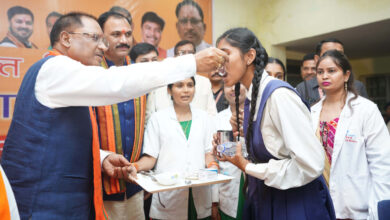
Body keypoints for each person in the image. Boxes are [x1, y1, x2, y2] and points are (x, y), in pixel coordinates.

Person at [0, 12, 227, 219]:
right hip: (43, 203)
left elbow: (54, 139)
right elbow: (114, 83)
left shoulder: (62, 75)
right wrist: (191, 62)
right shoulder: (55, 68)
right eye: (95, 38)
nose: (102, 47)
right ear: (66, 39)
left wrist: (102, 158)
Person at [213, 27, 335, 220]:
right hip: (266, 199)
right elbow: (275, 149)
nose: (219, 66)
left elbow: (311, 164)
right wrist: (239, 149)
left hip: (294, 204)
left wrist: (247, 166)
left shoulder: (279, 96)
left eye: (226, 56)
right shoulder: (252, 97)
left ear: (249, 56)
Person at [311, 50, 390, 220]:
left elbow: (383, 165)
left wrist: (376, 212)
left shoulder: (366, 110)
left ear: (346, 75)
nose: (325, 76)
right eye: (320, 72)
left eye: (332, 71)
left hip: (358, 208)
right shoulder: (312, 112)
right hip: (321, 206)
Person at [134, 77, 217, 219]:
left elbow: (208, 153)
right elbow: (150, 158)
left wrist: (212, 165)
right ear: (169, 90)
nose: (186, 90)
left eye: (190, 85)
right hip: (168, 196)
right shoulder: (158, 119)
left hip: (199, 192)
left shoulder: (204, 118)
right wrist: (134, 167)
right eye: (179, 86)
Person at [96, 11, 144, 220]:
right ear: (101, 37)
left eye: (128, 34)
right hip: (99, 185)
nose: (124, 40)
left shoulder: (140, 76)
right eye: (116, 34)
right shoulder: (89, 75)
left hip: (136, 184)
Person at [146, 40, 217, 120]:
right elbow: (149, 115)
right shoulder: (160, 82)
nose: (187, 57)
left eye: (190, 53)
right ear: (175, 57)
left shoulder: (205, 82)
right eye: (182, 53)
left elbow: (212, 114)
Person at [296, 38, 368, 106]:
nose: (335, 57)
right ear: (317, 59)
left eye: (340, 54)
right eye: (329, 53)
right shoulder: (302, 88)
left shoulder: (358, 86)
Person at [213, 84, 246, 220]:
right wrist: (214, 201)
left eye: (238, 84)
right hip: (227, 191)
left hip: (254, 186)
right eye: (228, 86)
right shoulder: (217, 119)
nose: (233, 89)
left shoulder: (258, 116)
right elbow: (214, 160)